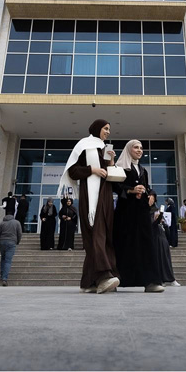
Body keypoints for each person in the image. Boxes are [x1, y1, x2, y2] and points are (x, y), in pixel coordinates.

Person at [59, 119, 120, 294]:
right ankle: (104, 276)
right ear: (97, 128)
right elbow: (73, 171)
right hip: (91, 197)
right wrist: (92, 169)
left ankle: (88, 282)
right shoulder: (84, 145)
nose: (108, 132)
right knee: (96, 234)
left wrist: (111, 161)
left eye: (109, 129)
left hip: (105, 195)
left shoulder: (104, 148)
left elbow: (109, 174)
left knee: (104, 235)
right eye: (105, 128)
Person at [113, 140, 164, 293]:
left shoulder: (143, 170)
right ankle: (118, 280)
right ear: (129, 149)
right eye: (136, 147)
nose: (140, 150)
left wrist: (152, 195)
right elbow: (115, 186)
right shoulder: (120, 168)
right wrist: (131, 190)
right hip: (126, 213)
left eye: (141, 148)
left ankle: (151, 282)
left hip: (142, 213)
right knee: (124, 244)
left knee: (146, 245)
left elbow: (147, 187)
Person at [149, 192, 179, 286]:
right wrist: (159, 218)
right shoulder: (147, 211)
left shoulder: (155, 209)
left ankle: (170, 278)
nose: (151, 200)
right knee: (159, 259)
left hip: (161, 235)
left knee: (166, 258)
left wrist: (161, 219)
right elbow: (152, 224)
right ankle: (161, 279)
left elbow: (163, 223)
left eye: (153, 198)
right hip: (154, 236)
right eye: (150, 198)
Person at [0, 211, 22, 287]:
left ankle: (2, 275)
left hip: (2, 242)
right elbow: (19, 233)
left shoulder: (2, 223)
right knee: (8, 261)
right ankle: (4, 278)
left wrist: (0, 239)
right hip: (12, 242)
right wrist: (17, 241)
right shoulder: (17, 223)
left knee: (3, 258)